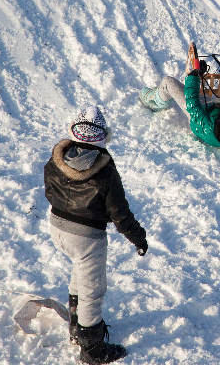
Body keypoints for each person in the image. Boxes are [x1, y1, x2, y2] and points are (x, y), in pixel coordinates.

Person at [44, 106, 148, 364]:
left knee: (79, 273)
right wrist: (138, 238)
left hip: (57, 227)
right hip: (86, 237)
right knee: (93, 290)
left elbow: (49, 190)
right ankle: (91, 348)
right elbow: (119, 213)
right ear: (103, 138)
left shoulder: (57, 157)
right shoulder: (105, 170)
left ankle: (75, 325)